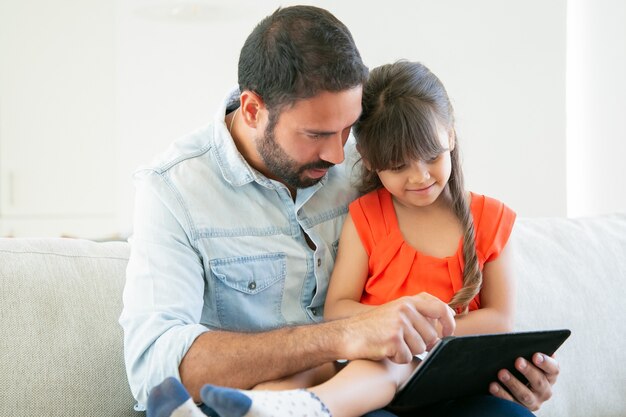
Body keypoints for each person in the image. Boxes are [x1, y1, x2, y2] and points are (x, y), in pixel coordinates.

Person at [119, 5, 560, 417]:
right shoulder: (172, 192)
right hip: (319, 385)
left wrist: (505, 373)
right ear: (253, 111)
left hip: (397, 382)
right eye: (316, 134)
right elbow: (153, 367)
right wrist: (344, 334)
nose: (338, 154)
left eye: (348, 128)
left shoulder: (376, 162)